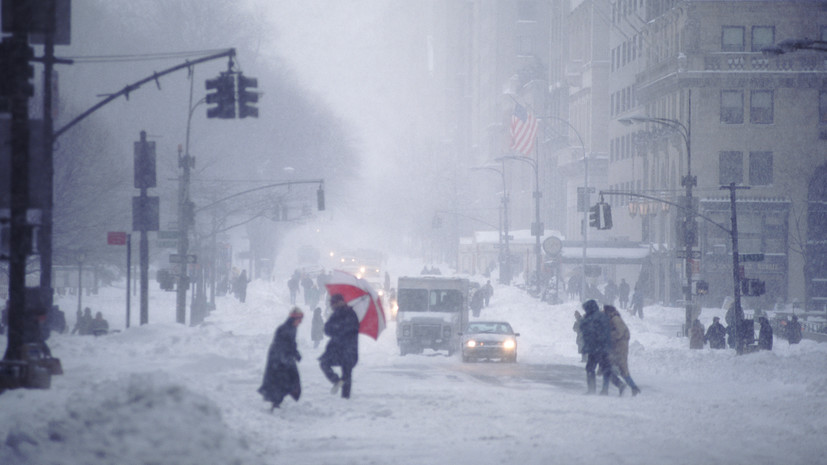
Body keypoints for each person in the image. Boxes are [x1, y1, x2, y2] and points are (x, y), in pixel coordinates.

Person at [258, 308, 304, 410]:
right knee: (279, 381)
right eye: (299, 319)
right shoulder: (283, 329)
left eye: (301, 320)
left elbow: (292, 343)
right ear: (294, 318)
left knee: (291, 379)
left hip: (286, 357)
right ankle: (275, 403)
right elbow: (279, 345)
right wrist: (284, 359)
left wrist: (296, 353)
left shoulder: (293, 328)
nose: (300, 322)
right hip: (277, 357)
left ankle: (278, 401)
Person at [579, 299, 626, 396]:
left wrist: (583, 321)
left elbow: (588, 331)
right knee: (606, 369)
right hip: (603, 347)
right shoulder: (602, 316)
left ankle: (592, 390)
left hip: (596, 348)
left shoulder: (592, 318)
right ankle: (617, 385)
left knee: (590, 368)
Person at [319, 293, 360, 399]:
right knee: (346, 373)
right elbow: (328, 329)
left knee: (328, 365)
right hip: (347, 350)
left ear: (338, 303)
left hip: (341, 349)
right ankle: (342, 389)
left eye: (332, 303)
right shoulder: (347, 314)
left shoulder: (345, 314)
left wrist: (337, 329)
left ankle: (341, 389)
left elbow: (330, 330)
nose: (331, 306)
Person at [605, 305, 641, 396]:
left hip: (620, 349)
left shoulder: (615, 319)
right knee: (619, 370)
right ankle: (632, 387)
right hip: (618, 348)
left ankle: (630, 387)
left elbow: (619, 332)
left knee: (618, 370)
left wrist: (609, 335)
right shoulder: (613, 318)